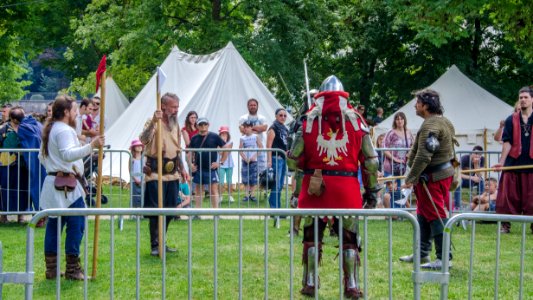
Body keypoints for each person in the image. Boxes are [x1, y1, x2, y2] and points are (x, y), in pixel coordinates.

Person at [294, 75, 381, 298]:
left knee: (312, 235)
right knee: (350, 237)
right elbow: (371, 160)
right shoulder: (357, 120)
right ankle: (351, 284)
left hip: (316, 185)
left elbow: (293, 159)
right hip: (346, 188)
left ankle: (310, 281)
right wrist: (371, 192)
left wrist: (304, 164)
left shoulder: (309, 120)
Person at [38, 95, 105, 280]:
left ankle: (52, 269)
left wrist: (55, 169)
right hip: (66, 186)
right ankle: (72, 269)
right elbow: (68, 155)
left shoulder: (52, 128)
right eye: (75, 110)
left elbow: (41, 157)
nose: (77, 113)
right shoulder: (63, 131)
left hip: (55, 184)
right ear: (66, 112)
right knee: (76, 225)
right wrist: (91, 146)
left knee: (54, 225)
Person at [400, 89, 456, 270]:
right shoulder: (444, 122)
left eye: (417, 102)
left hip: (432, 177)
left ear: (425, 106)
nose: (415, 106)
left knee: (436, 214)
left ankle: (444, 258)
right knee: (423, 214)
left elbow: (424, 156)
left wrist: (410, 178)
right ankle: (422, 253)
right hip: (435, 176)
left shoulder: (431, 125)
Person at [139, 92, 188, 256]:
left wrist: (182, 168)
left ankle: (162, 241)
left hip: (172, 174)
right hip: (155, 173)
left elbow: (177, 149)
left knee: (170, 210)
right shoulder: (153, 122)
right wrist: (154, 121)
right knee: (155, 211)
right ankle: (155, 245)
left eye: (177, 107)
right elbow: (143, 140)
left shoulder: (176, 124)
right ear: (164, 106)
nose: (176, 110)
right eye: (173, 107)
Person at [493, 86, 533, 234]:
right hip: (513, 164)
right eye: (521, 97)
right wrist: (502, 162)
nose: (522, 100)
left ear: (532, 99)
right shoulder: (511, 119)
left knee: (532, 199)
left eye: (526, 97)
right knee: (507, 198)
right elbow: (507, 142)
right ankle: (505, 225)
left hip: (531, 165)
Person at [188, 117, 228, 209]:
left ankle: (216, 212)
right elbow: (189, 153)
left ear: (208, 125)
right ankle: (197, 212)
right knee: (198, 190)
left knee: (213, 190)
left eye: (205, 124)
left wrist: (220, 162)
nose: (203, 126)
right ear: (197, 126)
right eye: (201, 125)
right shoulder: (194, 138)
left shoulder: (214, 136)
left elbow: (226, 148)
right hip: (199, 169)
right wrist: (190, 164)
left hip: (211, 168)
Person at [0, 106, 30, 224]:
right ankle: (3, 216)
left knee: (22, 188)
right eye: (17, 118)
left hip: (22, 164)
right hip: (6, 164)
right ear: (12, 118)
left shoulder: (26, 128)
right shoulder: (3, 130)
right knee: (5, 189)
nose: (19, 120)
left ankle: (21, 216)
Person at [266, 108, 288, 209]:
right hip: (276, 158)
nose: (283, 117)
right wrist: (269, 161)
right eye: (280, 115)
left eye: (284, 115)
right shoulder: (273, 128)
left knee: (280, 185)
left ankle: (278, 209)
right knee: (276, 185)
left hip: (283, 159)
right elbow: (269, 145)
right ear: (276, 116)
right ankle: (274, 209)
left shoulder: (285, 128)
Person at [239, 98, 268, 173]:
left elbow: (264, 128)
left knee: (261, 170)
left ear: (257, 106)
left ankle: (259, 184)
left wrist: (249, 128)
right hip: (247, 148)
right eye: (251, 105)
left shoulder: (262, 118)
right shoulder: (243, 118)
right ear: (248, 106)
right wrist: (257, 128)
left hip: (259, 147)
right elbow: (242, 129)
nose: (253, 106)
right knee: (248, 170)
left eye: (254, 105)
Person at [453, 145, 485, 211]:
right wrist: (472, 178)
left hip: (473, 181)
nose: (477, 156)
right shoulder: (464, 158)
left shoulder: (482, 159)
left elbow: (479, 175)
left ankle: (479, 204)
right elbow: (458, 173)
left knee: (481, 181)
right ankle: (457, 207)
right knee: (458, 181)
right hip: (464, 180)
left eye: (480, 154)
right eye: (476, 153)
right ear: (471, 153)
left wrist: (476, 164)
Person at [383, 112, 414, 178]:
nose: (400, 121)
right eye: (397, 119)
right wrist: (395, 159)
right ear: (395, 121)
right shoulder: (390, 133)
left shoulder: (409, 133)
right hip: (391, 167)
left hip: (405, 167)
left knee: (402, 187)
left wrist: (410, 153)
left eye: (401, 119)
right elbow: (384, 148)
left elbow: (413, 146)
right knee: (392, 188)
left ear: (404, 120)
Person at [239, 120, 262, 202]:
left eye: (248, 127)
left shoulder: (256, 137)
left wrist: (254, 156)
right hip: (245, 161)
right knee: (245, 178)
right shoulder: (242, 138)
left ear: (251, 127)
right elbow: (240, 150)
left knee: (253, 178)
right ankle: (246, 195)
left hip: (254, 161)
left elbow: (260, 147)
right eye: (245, 127)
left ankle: (252, 195)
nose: (246, 129)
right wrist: (245, 158)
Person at [218, 125, 234, 203]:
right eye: (222, 134)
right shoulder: (216, 142)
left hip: (229, 164)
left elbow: (228, 150)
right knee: (220, 181)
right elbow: (220, 152)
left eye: (225, 134)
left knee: (229, 180)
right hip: (220, 164)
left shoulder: (230, 142)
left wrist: (223, 146)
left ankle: (230, 196)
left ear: (228, 135)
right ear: (220, 135)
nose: (224, 135)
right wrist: (223, 145)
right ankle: (220, 196)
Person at [129, 138, 144, 208]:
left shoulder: (144, 158)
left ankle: (142, 212)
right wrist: (135, 179)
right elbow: (130, 170)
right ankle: (134, 212)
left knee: (142, 196)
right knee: (134, 196)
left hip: (143, 180)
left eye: (140, 145)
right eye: (137, 146)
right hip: (134, 181)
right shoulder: (132, 158)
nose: (139, 147)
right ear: (133, 148)